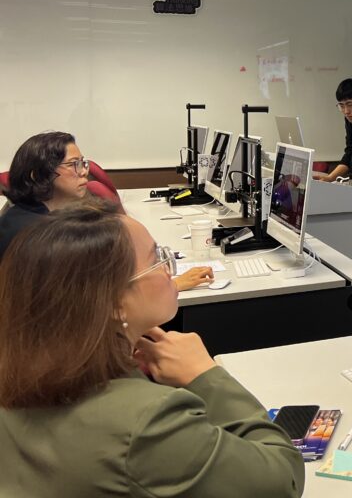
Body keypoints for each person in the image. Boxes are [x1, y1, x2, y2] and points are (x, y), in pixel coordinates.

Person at [0, 205, 304, 497]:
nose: (169, 269)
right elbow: (281, 481)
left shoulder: (20, 373)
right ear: (114, 302)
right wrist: (205, 375)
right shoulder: (148, 421)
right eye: (156, 258)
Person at [0, 132, 213, 289]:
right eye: (74, 164)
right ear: (38, 175)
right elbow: (93, 298)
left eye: (83, 163)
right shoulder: (39, 234)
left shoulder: (30, 215)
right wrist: (172, 285)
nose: (84, 172)